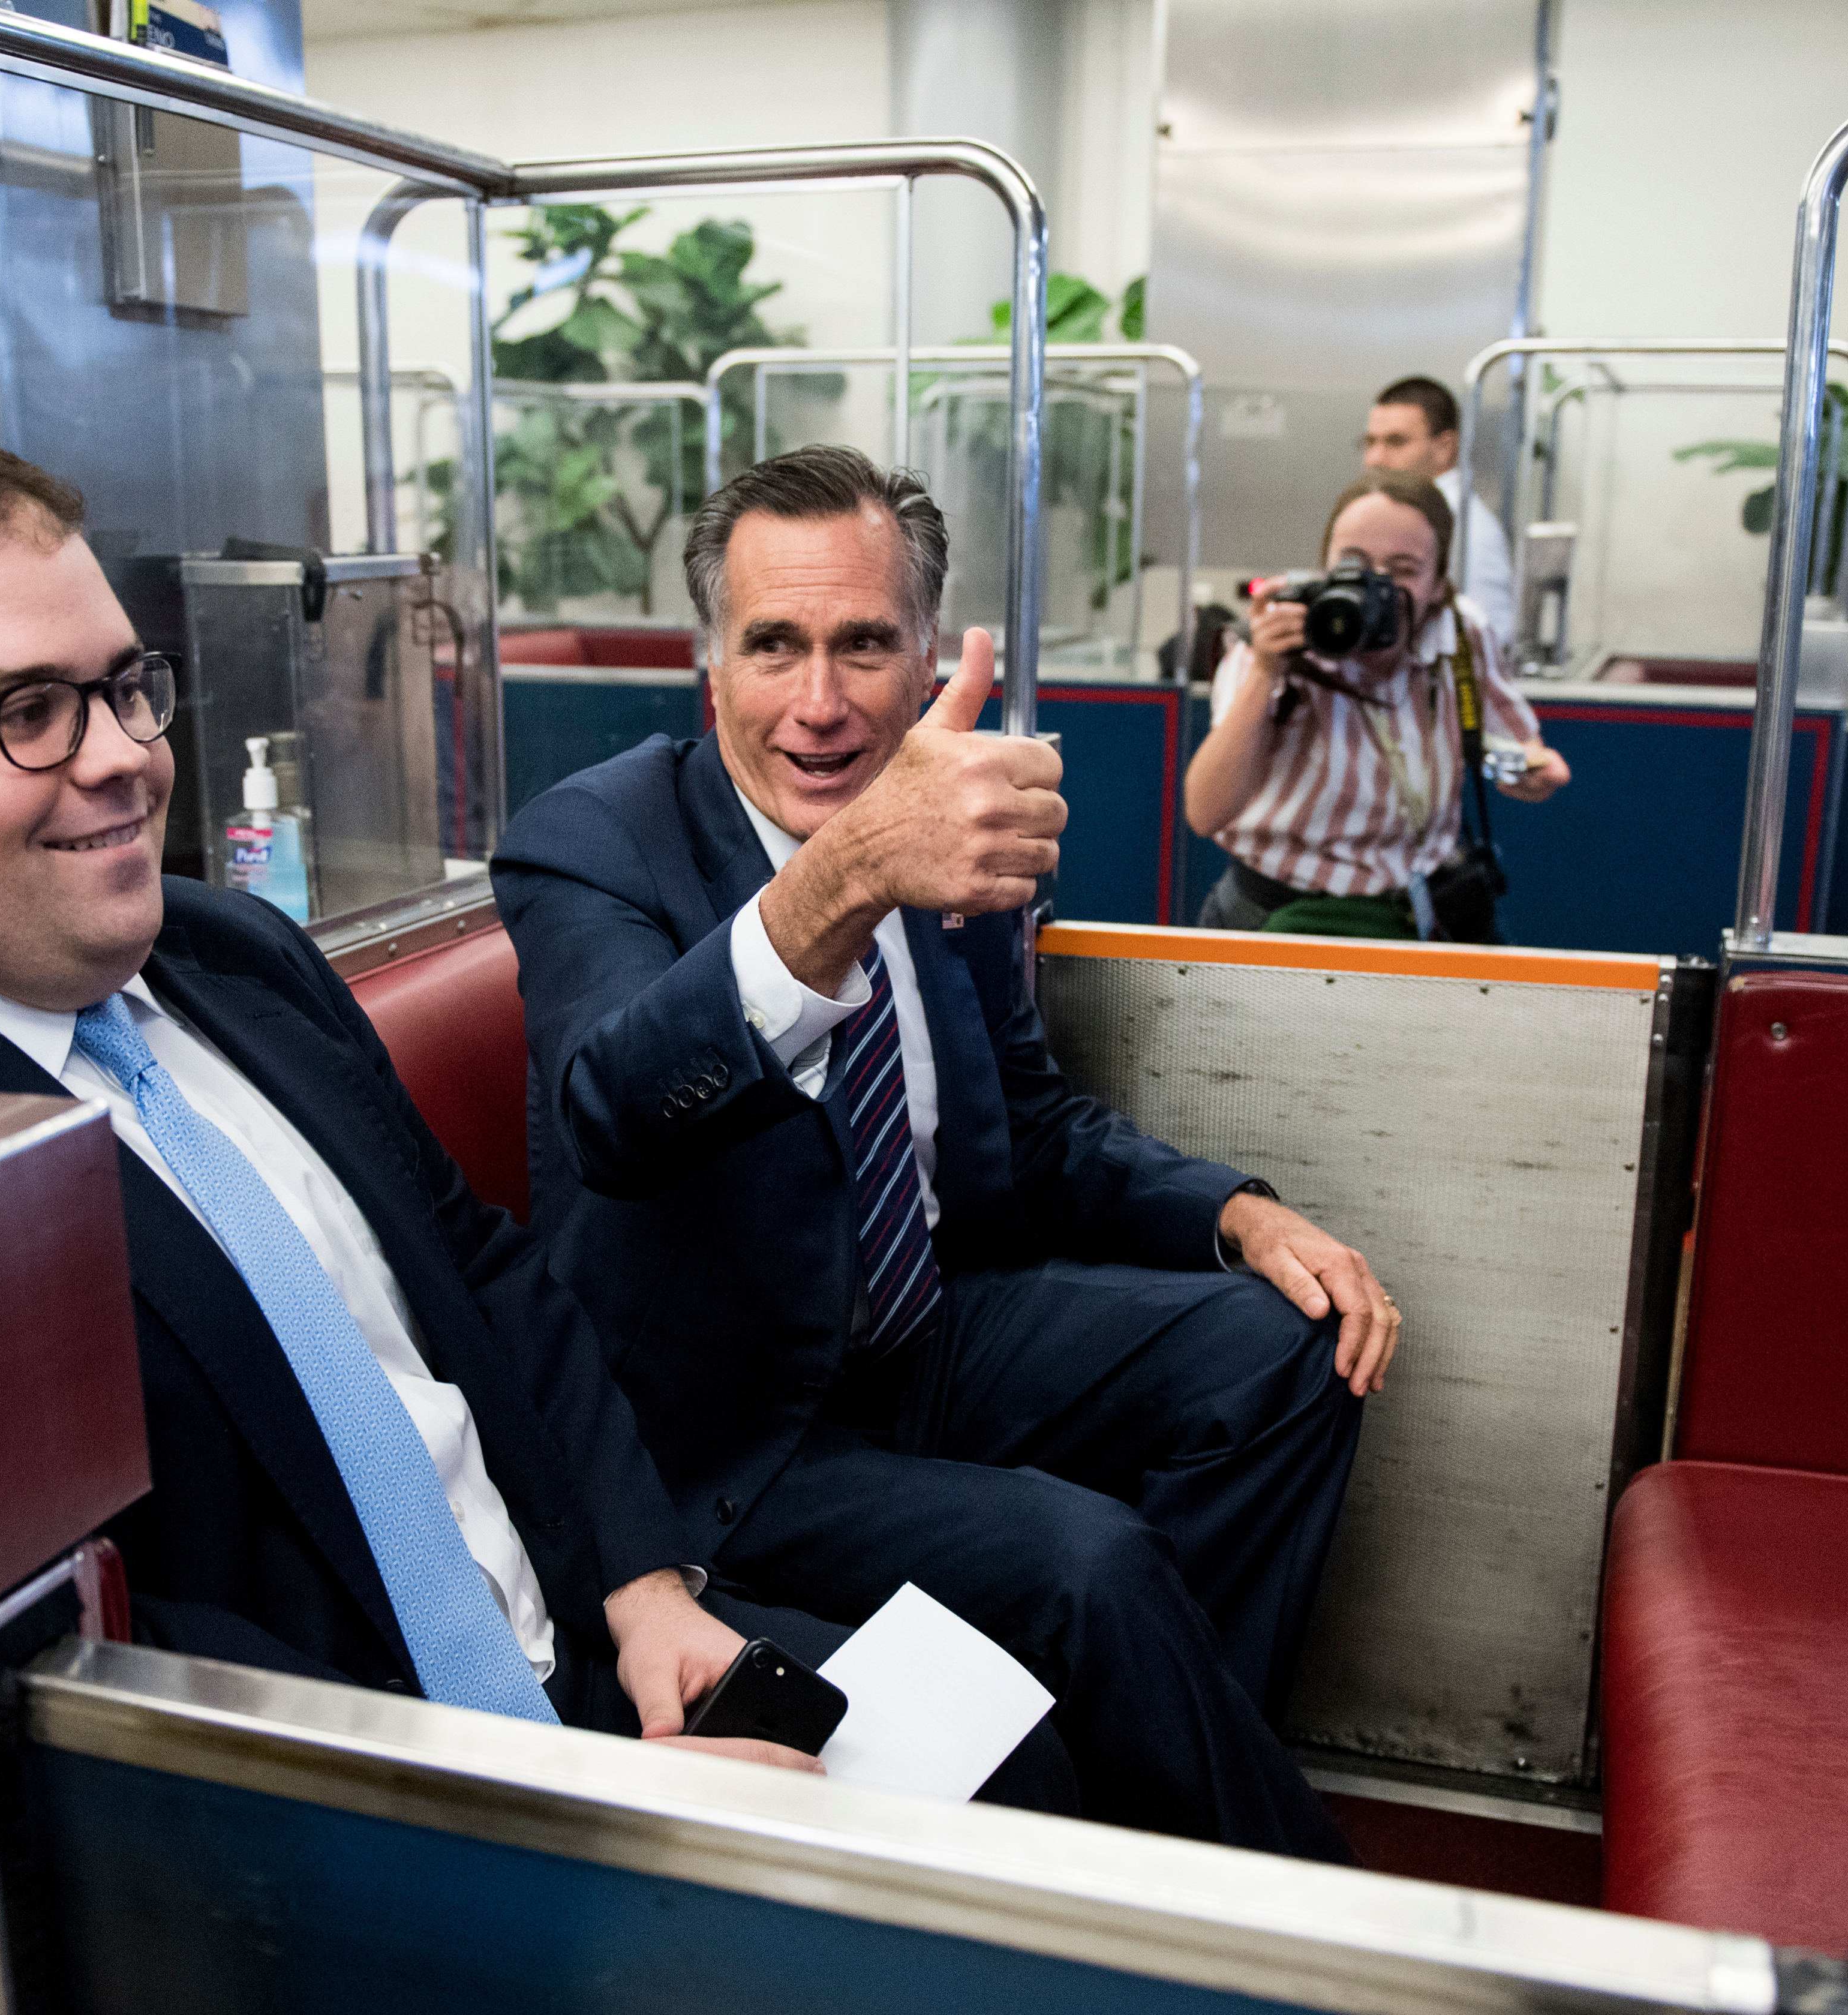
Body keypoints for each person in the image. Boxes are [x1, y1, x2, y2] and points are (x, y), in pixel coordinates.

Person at [0, 431, 1075, 1801]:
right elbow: (65, 1672)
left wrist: (645, 1586)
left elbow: (487, 1276)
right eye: (24, 711)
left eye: (127, 685)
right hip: (359, 1807)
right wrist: (553, 1802)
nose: (123, 759)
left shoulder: (232, 960)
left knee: (1023, 1760)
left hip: (591, 1661)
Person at [492, 445, 1386, 1863]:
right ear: (709, 668)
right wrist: (847, 872)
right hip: (734, 1430)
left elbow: (1025, 1126)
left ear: (928, 659)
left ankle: (1137, 1778)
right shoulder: (597, 837)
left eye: (863, 642)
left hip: (926, 1331)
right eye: (772, 645)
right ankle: (1295, 1904)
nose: (820, 699)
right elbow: (611, 1104)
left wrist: (1236, 1213)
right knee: (1092, 1567)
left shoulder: (948, 823)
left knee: (1285, 1345)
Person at [1185, 470, 1568, 941]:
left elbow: (1521, 750)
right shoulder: (1278, 638)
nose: (1375, 587)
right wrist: (1266, 670)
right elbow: (1204, 811)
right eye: (1354, 562)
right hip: (1285, 911)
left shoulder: (1461, 634)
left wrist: (1531, 772)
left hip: (1416, 909)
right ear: (1325, 566)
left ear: (1438, 581)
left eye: (1404, 569)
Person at [1362, 376, 1515, 624]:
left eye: (1396, 442)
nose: (1375, 459)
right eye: (1370, 443)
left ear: (1444, 448)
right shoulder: (1399, 514)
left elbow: (1490, 634)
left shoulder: (1466, 528)